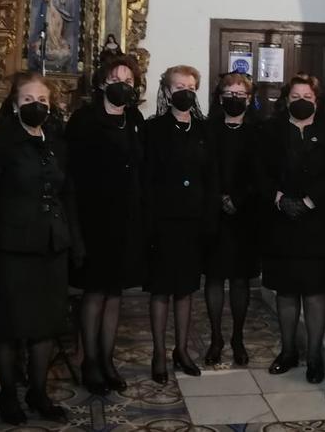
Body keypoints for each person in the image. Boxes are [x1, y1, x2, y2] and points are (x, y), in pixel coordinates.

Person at [0, 72, 84, 425]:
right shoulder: (0, 142)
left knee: (45, 325)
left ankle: (38, 391)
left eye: (43, 101)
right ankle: (8, 394)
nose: (37, 106)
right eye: (29, 101)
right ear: (15, 104)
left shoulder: (55, 140)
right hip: (11, 248)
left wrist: (75, 240)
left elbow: (68, 195)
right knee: (8, 325)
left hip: (51, 247)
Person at [67, 53, 146, 395]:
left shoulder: (135, 118)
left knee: (115, 293)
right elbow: (72, 174)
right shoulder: (84, 120)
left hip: (125, 217)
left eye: (128, 82)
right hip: (93, 216)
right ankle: (90, 361)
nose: (122, 87)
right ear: (101, 83)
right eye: (116, 81)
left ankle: (108, 358)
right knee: (94, 292)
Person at [261, 74, 325, 384]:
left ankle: (315, 354)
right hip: (280, 221)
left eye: (307, 97)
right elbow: (260, 170)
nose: (301, 102)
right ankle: (288, 351)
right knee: (286, 290)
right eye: (295, 97)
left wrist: (309, 201)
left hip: (317, 221)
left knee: (315, 290)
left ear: (316, 101)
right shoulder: (270, 130)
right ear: (286, 100)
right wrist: (279, 199)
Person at [143, 65, 213, 382]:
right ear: (168, 91)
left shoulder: (203, 129)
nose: (185, 91)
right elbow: (146, 179)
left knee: (185, 290)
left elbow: (210, 176)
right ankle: (159, 353)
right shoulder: (153, 129)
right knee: (161, 291)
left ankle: (181, 350)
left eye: (190, 86)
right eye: (179, 86)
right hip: (163, 220)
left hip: (193, 221)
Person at [203, 72, 262, 367]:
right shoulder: (207, 129)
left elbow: (261, 173)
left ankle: (237, 337)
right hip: (213, 214)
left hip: (245, 215)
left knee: (240, 280)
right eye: (229, 93)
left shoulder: (258, 131)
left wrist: (237, 198)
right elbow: (202, 169)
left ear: (249, 99)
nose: (234, 99)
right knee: (214, 278)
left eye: (240, 94)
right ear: (220, 97)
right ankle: (215, 338)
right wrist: (218, 198)